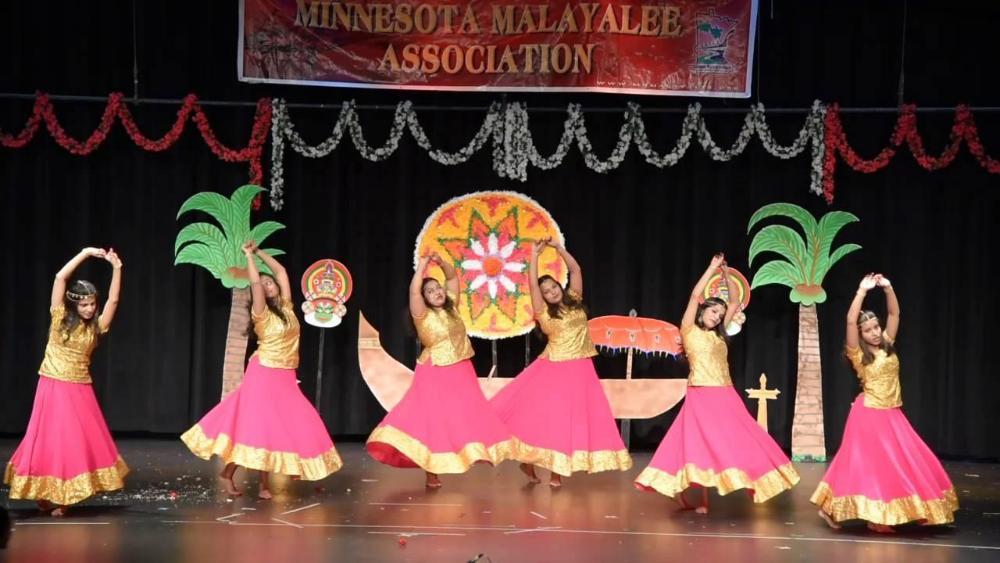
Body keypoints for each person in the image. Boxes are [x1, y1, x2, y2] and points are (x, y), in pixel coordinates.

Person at [634, 253, 799, 513]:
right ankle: (701, 498)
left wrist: (726, 274)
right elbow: (694, 295)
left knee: (743, 435)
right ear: (703, 310)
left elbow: (734, 300)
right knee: (700, 444)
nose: (717, 317)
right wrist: (711, 267)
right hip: (700, 394)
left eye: (720, 315)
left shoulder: (720, 335)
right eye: (713, 311)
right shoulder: (689, 330)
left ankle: (756, 478)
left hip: (725, 393)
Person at [181, 241, 341, 498]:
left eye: (270, 283)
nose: (267, 285)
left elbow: (281, 272)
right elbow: (255, 284)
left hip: (285, 374)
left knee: (291, 421)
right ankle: (261, 484)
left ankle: (230, 475)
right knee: (261, 427)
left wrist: (258, 252)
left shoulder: (287, 306)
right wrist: (249, 258)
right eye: (263, 285)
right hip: (263, 372)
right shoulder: (261, 313)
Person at [811, 273, 958, 532]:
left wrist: (888, 288)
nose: (875, 333)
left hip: (891, 412)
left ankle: (897, 511)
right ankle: (871, 517)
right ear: (861, 334)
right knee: (871, 465)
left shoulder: (887, 343)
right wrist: (862, 291)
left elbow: (894, 314)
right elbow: (850, 320)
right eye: (868, 330)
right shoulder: (857, 354)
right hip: (869, 414)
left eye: (876, 327)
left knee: (903, 461)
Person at [366, 253, 518, 488]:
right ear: (424, 298)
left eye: (438, 288)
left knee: (466, 415)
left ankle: (474, 453)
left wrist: (440, 263)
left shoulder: (452, 307)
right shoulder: (422, 315)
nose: (437, 292)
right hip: (435, 370)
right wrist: (423, 267)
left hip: (461, 368)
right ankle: (431, 471)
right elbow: (414, 292)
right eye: (430, 291)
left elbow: (452, 278)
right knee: (433, 420)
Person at [491, 239, 631, 487]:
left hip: (582, 369)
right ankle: (552, 472)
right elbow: (531, 284)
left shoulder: (574, 299)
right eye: (546, 291)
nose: (552, 292)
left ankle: (534, 465)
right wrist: (535, 255)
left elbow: (576, 270)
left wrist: (559, 249)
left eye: (553, 287)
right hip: (555, 369)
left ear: (560, 285)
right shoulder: (543, 312)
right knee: (556, 420)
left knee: (573, 420)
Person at [4, 247, 128, 516]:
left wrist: (117, 268)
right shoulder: (59, 317)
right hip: (52, 384)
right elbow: (60, 278)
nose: (90, 308)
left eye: (92, 304)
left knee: (73, 440)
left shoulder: (96, 326)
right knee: (49, 437)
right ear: (73, 305)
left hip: (79, 387)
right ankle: (45, 493)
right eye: (84, 305)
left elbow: (114, 300)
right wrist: (85, 253)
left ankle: (64, 498)